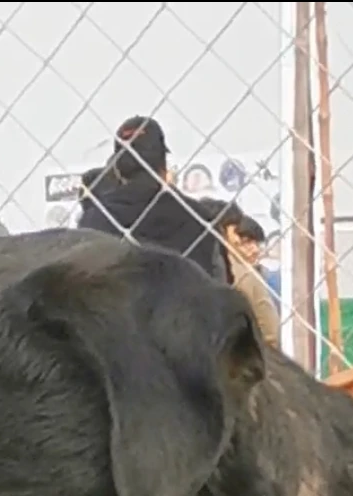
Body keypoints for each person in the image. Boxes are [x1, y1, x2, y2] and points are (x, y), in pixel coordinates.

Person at [77, 116, 227, 279]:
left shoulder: (94, 220)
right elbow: (222, 280)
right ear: (164, 164)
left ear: (117, 170)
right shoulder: (198, 217)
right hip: (188, 301)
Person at [217, 208, 279, 344]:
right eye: (246, 243)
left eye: (257, 243)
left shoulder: (263, 274)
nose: (255, 249)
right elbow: (270, 331)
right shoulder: (244, 277)